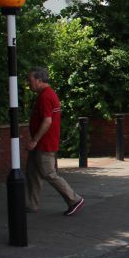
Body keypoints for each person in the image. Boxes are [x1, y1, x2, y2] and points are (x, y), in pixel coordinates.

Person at [25, 67, 84, 216]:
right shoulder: (47, 94)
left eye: (30, 80)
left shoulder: (46, 96)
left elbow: (47, 121)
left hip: (44, 144)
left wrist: (34, 140)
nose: (28, 83)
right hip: (41, 143)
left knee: (49, 173)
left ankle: (74, 200)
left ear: (39, 80)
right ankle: (31, 204)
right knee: (32, 173)